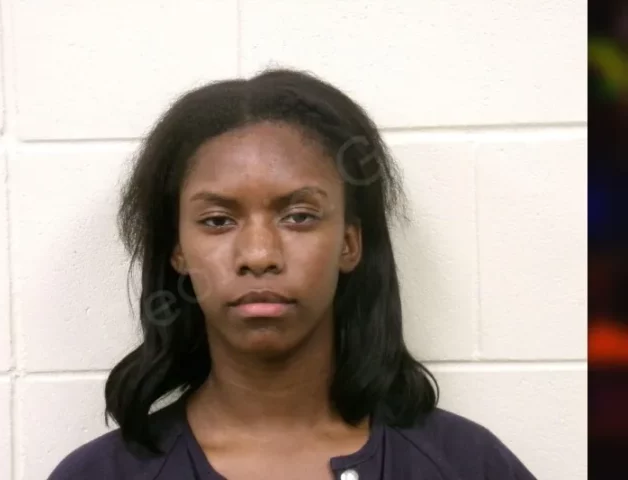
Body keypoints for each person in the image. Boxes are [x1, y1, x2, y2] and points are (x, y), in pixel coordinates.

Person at [48, 69, 536, 479]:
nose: (259, 254)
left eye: (299, 216)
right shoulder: (102, 474)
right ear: (178, 250)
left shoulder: (465, 464)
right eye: (217, 221)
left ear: (349, 243)